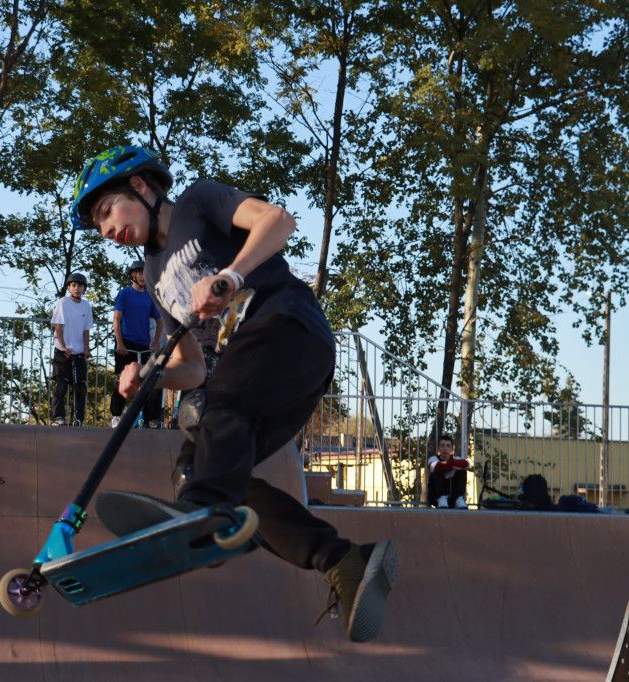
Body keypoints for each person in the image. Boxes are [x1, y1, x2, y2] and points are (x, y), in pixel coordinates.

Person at [69, 145, 398, 643]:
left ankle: (203, 512)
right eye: (98, 227)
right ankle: (344, 561)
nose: (105, 230)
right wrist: (150, 376)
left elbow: (278, 220)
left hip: (286, 325)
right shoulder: (156, 278)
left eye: (105, 212)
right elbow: (194, 369)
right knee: (203, 467)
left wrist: (229, 276)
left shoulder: (200, 202)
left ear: (139, 188)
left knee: (218, 425)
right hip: (262, 375)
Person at [110, 260, 165, 428]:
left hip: (143, 345)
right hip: (125, 344)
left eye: (145, 273)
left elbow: (160, 320)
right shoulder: (124, 294)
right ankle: (116, 416)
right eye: (140, 273)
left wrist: (155, 340)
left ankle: (151, 419)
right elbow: (117, 319)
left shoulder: (149, 296)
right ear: (133, 275)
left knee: (150, 381)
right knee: (122, 379)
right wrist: (119, 342)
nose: (143, 277)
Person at [50, 272, 93, 426]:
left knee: (80, 387)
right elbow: (58, 326)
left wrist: (87, 349)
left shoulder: (86, 305)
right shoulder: (63, 303)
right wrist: (63, 346)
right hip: (63, 350)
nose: (76, 288)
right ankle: (58, 417)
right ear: (68, 287)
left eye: (80, 286)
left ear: (84, 288)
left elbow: (86, 329)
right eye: (73, 285)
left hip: (79, 351)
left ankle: (78, 418)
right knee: (61, 385)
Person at [427, 434, 471, 508]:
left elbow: (467, 464)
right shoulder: (434, 458)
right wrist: (454, 466)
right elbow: (434, 467)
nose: (445, 448)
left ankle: (459, 499)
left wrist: (448, 464)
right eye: (442, 446)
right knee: (437, 470)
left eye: (448, 446)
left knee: (462, 472)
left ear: (452, 449)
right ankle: (441, 498)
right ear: (438, 448)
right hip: (436, 498)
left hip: (452, 497)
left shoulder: (456, 458)